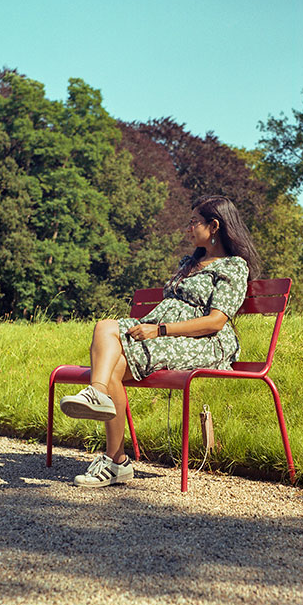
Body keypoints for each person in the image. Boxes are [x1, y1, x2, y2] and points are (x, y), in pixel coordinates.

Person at [59, 194, 261, 488]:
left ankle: (114, 458)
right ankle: (102, 408)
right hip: (159, 331)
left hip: (204, 341)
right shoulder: (189, 263)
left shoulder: (233, 266)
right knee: (105, 327)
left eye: (194, 222)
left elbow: (216, 321)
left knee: (115, 361)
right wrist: (152, 327)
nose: (188, 228)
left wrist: (160, 329)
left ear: (214, 226)